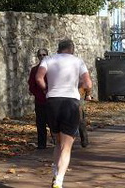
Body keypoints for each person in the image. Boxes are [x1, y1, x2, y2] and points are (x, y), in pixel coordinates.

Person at [36, 39, 93, 188]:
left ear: (59, 49)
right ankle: (59, 180)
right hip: (70, 103)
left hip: (52, 102)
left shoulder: (48, 59)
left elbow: (38, 78)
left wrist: (45, 89)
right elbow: (88, 84)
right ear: (72, 49)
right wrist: (82, 88)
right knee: (66, 147)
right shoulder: (78, 61)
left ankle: (55, 172)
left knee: (58, 142)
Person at [28, 48, 49, 149]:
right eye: (40, 55)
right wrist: (39, 94)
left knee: (54, 123)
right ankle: (41, 145)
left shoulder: (52, 69)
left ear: (47, 55)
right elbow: (31, 85)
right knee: (40, 124)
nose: (42, 57)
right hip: (40, 101)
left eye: (44, 55)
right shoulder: (34, 70)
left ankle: (58, 143)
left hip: (52, 100)